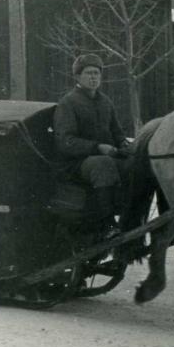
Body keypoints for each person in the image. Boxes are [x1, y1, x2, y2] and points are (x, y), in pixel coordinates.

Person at [53, 54, 129, 234]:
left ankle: (130, 217)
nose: (94, 77)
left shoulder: (105, 102)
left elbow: (117, 132)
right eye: (88, 73)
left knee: (134, 164)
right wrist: (97, 147)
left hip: (103, 157)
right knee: (102, 165)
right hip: (75, 164)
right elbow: (66, 141)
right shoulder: (68, 103)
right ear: (77, 77)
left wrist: (124, 145)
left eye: (97, 73)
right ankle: (107, 222)